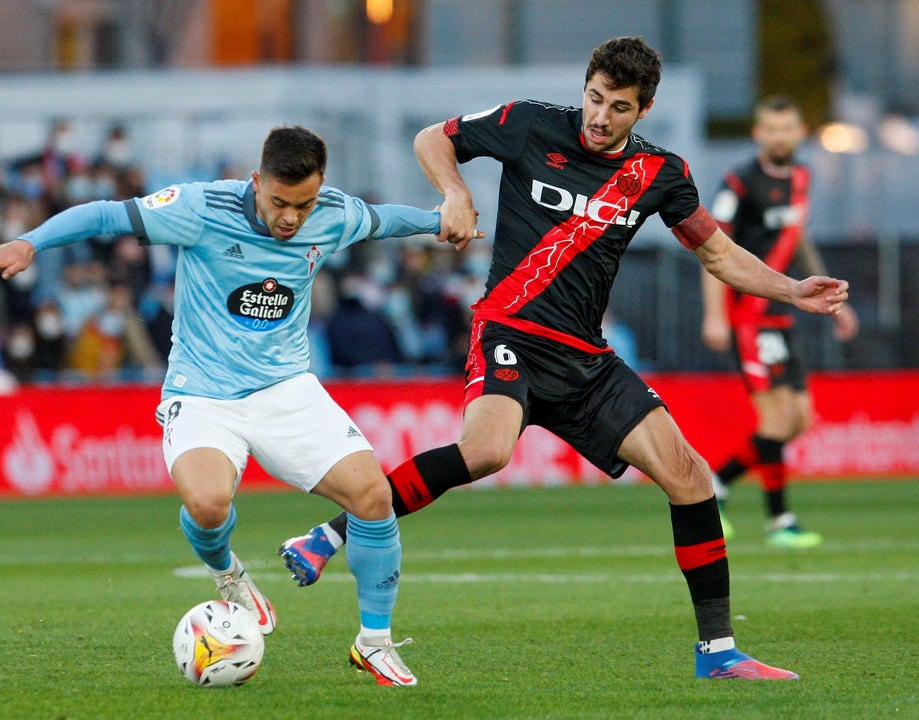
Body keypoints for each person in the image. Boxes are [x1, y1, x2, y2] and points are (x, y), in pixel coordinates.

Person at [279, 37, 852, 681]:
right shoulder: (529, 123)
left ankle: (719, 654)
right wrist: (455, 193)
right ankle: (332, 531)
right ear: (583, 88)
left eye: (620, 107)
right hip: (511, 331)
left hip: (586, 360)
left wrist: (791, 288)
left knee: (690, 477)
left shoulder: (661, 173)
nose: (600, 117)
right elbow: (431, 138)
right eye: (595, 98)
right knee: (488, 450)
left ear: (645, 110)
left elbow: (717, 255)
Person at [0, 125, 469, 687]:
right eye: (279, 201)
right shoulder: (199, 207)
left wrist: (438, 220)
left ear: (320, 188)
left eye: (302, 204)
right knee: (208, 505)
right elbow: (108, 215)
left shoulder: (332, 213)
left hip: (286, 389)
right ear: (256, 182)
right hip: (202, 391)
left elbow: (384, 220)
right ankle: (227, 573)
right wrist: (30, 242)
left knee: (374, 496)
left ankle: (373, 643)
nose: (290, 218)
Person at [701, 96, 859, 547]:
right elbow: (712, 251)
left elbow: (797, 236)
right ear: (757, 133)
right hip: (748, 315)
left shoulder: (803, 177)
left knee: (800, 419)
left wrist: (834, 298)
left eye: (786, 128)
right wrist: (715, 316)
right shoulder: (739, 184)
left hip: (782, 315)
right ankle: (780, 520)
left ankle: (717, 485)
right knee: (776, 420)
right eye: (771, 128)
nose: (779, 136)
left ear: (800, 132)